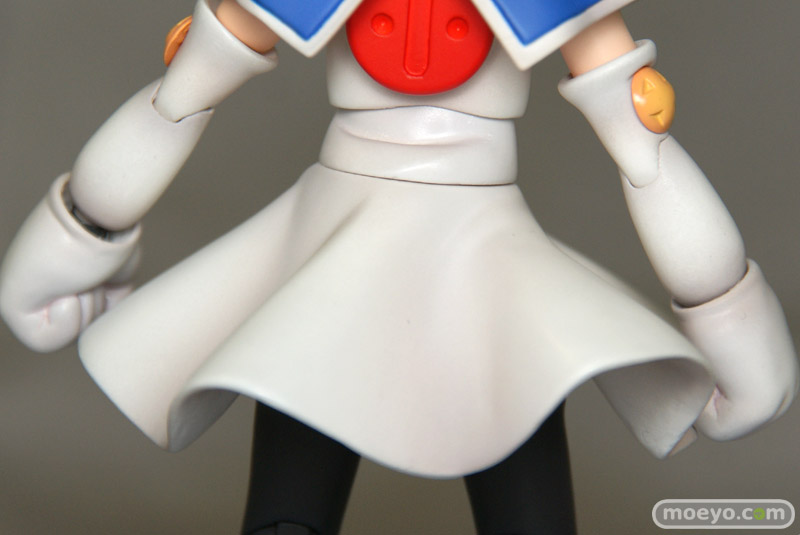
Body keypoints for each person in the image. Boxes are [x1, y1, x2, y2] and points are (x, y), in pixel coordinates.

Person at [1, 1, 796, 533]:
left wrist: (732, 323)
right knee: (297, 479)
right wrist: (69, 241)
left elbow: (639, 137)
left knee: (512, 439)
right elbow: (183, 92)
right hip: (344, 241)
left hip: (476, 248)